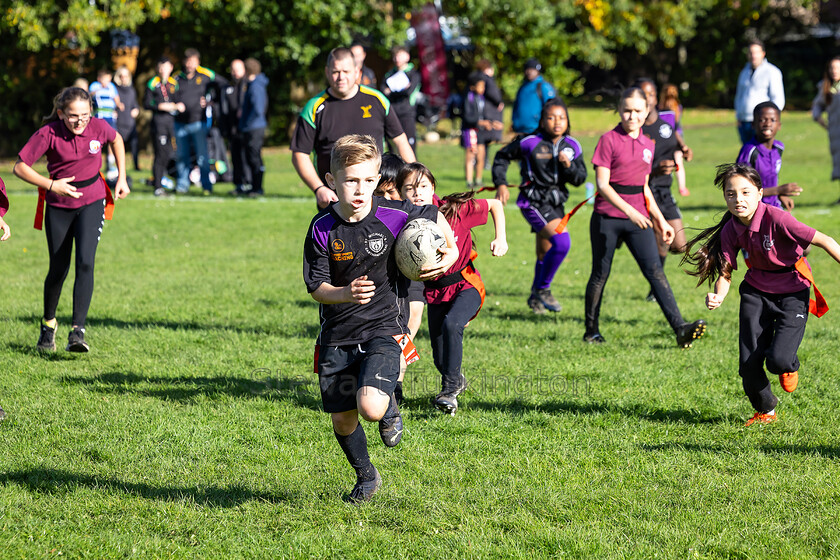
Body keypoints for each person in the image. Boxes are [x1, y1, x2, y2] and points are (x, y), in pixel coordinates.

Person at [303, 134, 458, 503]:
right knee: (343, 419)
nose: (361, 189)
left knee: (370, 406)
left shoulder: (393, 214)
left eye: (369, 180)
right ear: (332, 180)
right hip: (337, 335)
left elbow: (434, 213)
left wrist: (448, 254)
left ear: (378, 179)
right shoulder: (321, 227)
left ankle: (387, 407)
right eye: (351, 180)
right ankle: (367, 476)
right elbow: (316, 287)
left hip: (384, 328)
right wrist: (344, 293)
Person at [682, 163, 840, 425]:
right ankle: (765, 410)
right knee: (748, 365)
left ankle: (788, 364)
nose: (738, 199)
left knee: (778, 361)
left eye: (745, 192)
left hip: (793, 289)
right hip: (756, 292)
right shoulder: (731, 228)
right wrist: (719, 296)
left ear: (759, 193)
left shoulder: (778, 218)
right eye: (731, 194)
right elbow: (726, 271)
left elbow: (825, 240)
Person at [584, 86, 706, 348]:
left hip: (639, 217)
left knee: (655, 273)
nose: (632, 116)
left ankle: (680, 328)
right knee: (600, 274)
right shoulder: (608, 140)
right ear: (619, 110)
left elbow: (644, 187)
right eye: (627, 110)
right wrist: (630, 211)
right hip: (607, 218)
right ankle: (591, 331)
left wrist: (661, 221)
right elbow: (603, 185)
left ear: (647, 110)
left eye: (637, 111)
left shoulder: (648, 144)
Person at [13, 87, 130, 352]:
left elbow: (117, 139)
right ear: (61, 113)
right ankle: (48, 325)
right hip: (58, 205)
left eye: (85, 115)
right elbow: (19, 166)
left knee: (86, 262)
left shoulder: (99, 127)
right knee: (58, 268)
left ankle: (78, 332)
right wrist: (51, 184)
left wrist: (121, 177)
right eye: (74, 116)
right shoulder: (49, 133)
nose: (80, 121)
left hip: (92, 200)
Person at [399, 162, 507, 415]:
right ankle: (455, 379)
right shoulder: (404, 219)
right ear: (401, 193)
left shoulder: (454, 209)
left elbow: (495, 204)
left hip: (466, 284)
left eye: (423, 186)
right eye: (410, 189)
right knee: (440, 357)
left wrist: (500, 237)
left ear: (433, 187)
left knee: (452, 324)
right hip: (435, 293)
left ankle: (449, 393)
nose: (417, 193)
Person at [291, 47, 416, 209]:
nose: (341, 77)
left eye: (346, 71)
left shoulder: (377, 100)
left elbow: (401, 142)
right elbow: (300, 154)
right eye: (336, 72)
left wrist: (414, 181)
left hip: (377, 199)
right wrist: (319, 188)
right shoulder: (315, 107)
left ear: (357, 72)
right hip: (334, 201)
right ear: (327, 72)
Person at [492, 99, 586, 314]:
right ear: (542, 121)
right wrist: (501, 184)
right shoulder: (529, 142)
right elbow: (501, 157)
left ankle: (535, 298)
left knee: (544, 254)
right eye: (551, 117)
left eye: (561, 118)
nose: (556, 122)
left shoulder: (572, 146)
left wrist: (568, 166)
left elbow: (580, 179)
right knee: (562, 243)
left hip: (556, 204)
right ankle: (543, 289)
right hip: (532, 202)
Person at [637, 78, 693, 301]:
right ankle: (655, 287)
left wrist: (684, 149)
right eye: (643, 95)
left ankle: (655, 281)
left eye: (651, 94)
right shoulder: (635, 129)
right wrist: (655, 170)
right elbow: (632, 167)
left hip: (664, 191)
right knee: (660, 240)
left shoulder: (666, 121)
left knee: (679, 245)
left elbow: (674, 137)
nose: (648, 99)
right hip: (645, 192)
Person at [736, 101, 802, 212]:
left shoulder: (779, 147)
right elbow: (741, 189)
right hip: (754, 210)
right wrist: (779, 190)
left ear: (779, 125)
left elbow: (771, 180)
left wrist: (780, 195)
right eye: (762, 120)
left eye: (773, 120)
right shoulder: (749, 151)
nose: (767, 124)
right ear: (753, 124)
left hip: (774, 207)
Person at [173, 48, 216, 195]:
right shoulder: (177, 78)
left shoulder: (206, 76)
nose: (190, 64)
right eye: (187, 61)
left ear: (198, 62)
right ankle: (182, 185)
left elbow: (222, 87)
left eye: (193, 61)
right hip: (180, 124)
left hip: (199, 123)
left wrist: (212, 102)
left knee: (202, 156)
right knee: (181, 156)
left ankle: (206, 186)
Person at [734, 38, 785, 143]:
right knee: (747, 155)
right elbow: (739, 95)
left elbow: (778, 99)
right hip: (744, 122)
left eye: (756, 52)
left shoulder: (772, 72)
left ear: (763, 54)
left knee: (760, 155)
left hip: (761, 122)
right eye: (751, 53)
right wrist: (738, 115)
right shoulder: (744, 72)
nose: (753, 56)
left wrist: (771, 121)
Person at [143, 56, 181, 197]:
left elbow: (178, 100)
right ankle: (158, 186)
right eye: (161, 67)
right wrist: (160, 106)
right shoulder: (153, 83)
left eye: (166, 67)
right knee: (160, 154)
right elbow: (146, 103)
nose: (163, 70)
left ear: (171, 68)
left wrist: (179, 105)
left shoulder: (174, 83)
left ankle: (161, 182)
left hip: (172, 123)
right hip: (159, 123)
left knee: (169, 153)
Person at [237, 58, 268, 197]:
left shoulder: (256, 86)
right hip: (253, 127)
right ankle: (254, 187)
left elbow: (258, 108)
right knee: (251, 157)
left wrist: (247, 123)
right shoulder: (253, 84)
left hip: (254, 128)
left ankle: (257, 188)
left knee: (254, 158)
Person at [811, 56, 840, 204]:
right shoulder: (826, 87)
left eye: (837, 67)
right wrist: (820, 120)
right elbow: (817, 105)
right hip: (835, 132)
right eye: (831, 68)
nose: (834, 71)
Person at [382, 45, 422, 152]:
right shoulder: (389, 74)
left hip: (407, 114)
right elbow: (383, 92)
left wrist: (393, 91)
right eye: (395, 56)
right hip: (392, 113)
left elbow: (408, 92)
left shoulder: (413, 74)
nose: (397, 59)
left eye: (400, 55)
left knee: (409, 147)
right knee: (392, 148)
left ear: (407, 57)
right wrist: (401, 90)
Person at [658, 83, 690, 196]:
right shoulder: (677, 107)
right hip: (677, 138)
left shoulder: (658, 108)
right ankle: (682, 187)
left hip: (664, 137)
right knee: (678, 162)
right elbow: (676, 126)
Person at [89, 67, 120, 178]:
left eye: (108, 79)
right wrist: (100, 89)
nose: (107, 82)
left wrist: (119, 105)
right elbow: (90, 95)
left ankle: (111, 166)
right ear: (99, 78)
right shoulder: (95, 86)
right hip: (99, 117)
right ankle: (93, 164)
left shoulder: (112, 87)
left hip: (111, 117)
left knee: (112, 140)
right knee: (97, 141)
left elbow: (116, 99)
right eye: (105, 79)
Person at [511, 58, 557, 135]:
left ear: (538, 71)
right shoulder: (522, 88)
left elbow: (551, 106)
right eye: (528, 69)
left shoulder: (543, 87)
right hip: (520, 130)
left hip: (536, 130)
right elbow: (516, 106)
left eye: (532, 69)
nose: (529, 72)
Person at [461, 72, 489, 189]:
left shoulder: (481, 98)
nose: (483, 89)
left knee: (481, 156)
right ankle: (469, 181)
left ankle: (478, 179)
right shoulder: (468, 98)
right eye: (480, 86)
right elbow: (467, 117)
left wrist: (490, 123)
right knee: (471, 156)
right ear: (473, 87)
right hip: (470, 131)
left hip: (480, 131)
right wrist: (479, 122)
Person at [227, 59, 250, 196]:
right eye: (233, 69)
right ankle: (238, 184)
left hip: (246, 128)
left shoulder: (249, 85)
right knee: (235, 157)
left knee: (246, 157)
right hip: (232, 129)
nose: (235, 73)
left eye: (237, 69)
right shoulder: (228, 87)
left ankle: (249, 183)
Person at [476, 59, 505, 170]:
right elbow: (493, 93)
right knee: (485, 140)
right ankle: (483, 162)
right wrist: (499, 102)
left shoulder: (475, 77)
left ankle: (482, 161)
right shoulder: (487, 79)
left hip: (481, 112)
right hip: (488, 113)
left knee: (482, 140)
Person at [114, 66, 141, 172]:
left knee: (134, 144)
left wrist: (136, 110)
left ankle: (136, 165)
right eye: (121, 76)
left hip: (130, 122)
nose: (124, 78)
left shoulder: (131, 90)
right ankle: (116, 166)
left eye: (126, 76)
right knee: (117, 146)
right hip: (119, 122)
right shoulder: (114, 90)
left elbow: (135, 104)